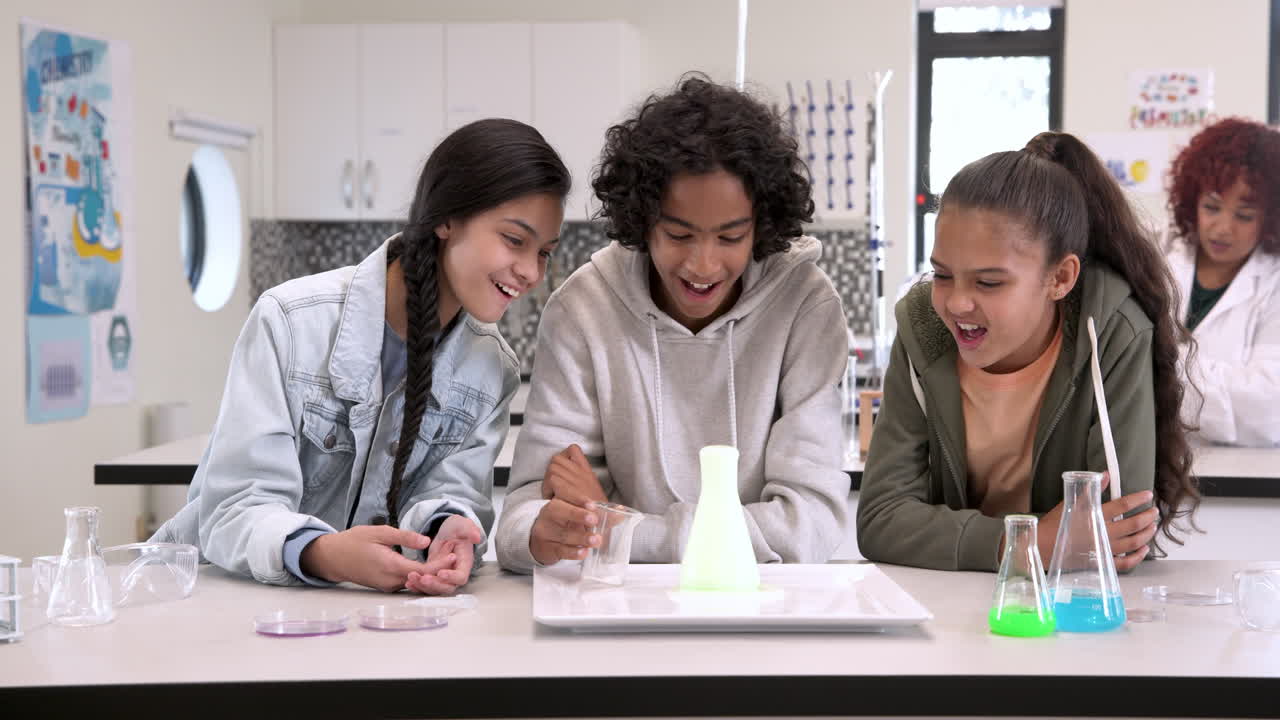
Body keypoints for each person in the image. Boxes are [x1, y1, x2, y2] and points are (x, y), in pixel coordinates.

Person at [152, 119, 570, 592]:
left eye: (545, 253)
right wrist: (323, 553)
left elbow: (452, 493)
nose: (531, 271)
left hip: (356, 616)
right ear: (447, 219)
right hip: (220, 598)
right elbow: (232, 510)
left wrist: (447, 532)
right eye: (515, 240)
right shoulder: (289, 321)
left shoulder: (492, 369)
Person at [494, 74, 852, 573]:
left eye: (730, 237)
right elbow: (523, 520)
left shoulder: (805, 306)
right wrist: (546, 530)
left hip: (761, 608)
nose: (703, 265)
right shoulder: (582, 309)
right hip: (616, 608)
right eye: (679, 234)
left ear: (760, 226)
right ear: (643, 222)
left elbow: (809, 526)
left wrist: (620, 529)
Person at [857, 131, 1200, 572]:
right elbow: (881, 520)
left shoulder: (1112, 329)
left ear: (1060, 278)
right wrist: (1029, 545)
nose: (957, 302)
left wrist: (950, 537)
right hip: (947, 601)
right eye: (942, 275)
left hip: (1067, 608)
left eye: (989, 282)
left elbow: (1119, 533)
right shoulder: (923, 326)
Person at [1164, 117, 1280, 446]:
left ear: (1270, 218)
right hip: (1153, 466)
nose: (1222, 228)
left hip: (1240, 477)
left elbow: (1269, 408)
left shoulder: (1275, 285)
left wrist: (1163, 373)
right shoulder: (1161, 264)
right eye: (1212, 207)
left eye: (1244, 215)